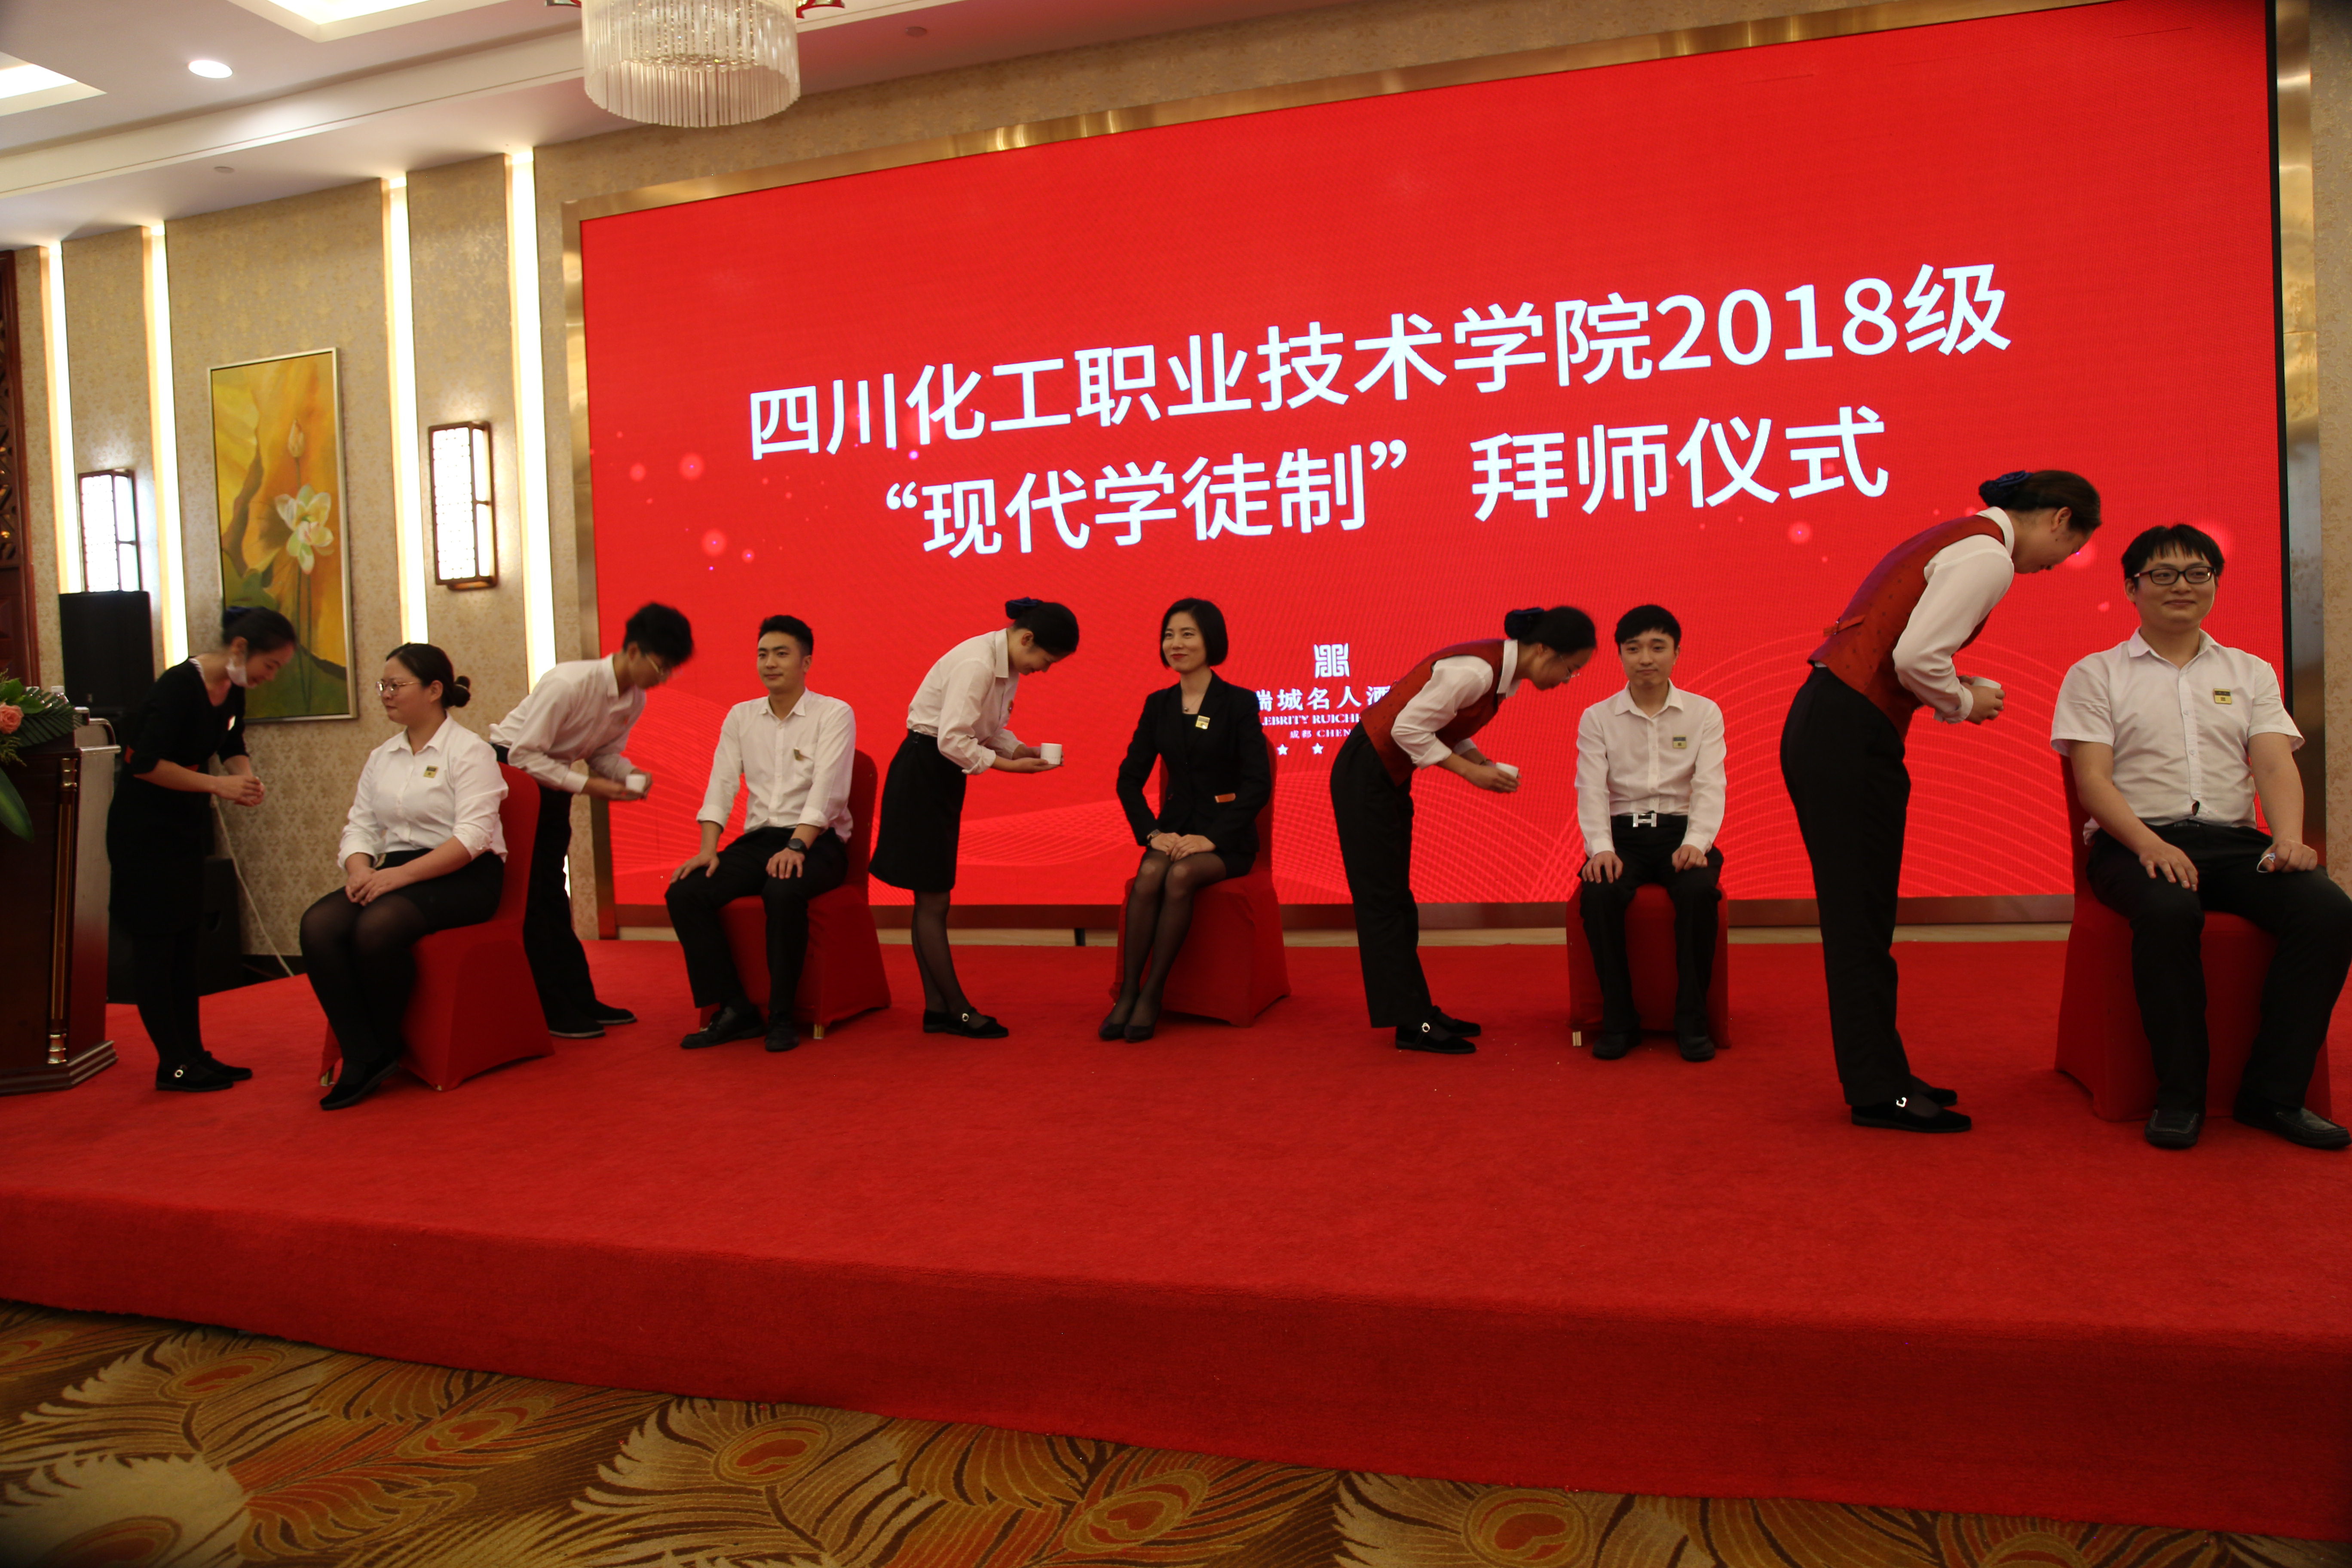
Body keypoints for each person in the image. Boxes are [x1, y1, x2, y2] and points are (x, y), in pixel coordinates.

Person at [1781, 469, 2099, 1133]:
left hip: (1834, 724)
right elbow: (1917, 657)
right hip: (1849, 735)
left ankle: (1886, 1074)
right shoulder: (1989, 556)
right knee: (1861, 921)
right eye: (2067, 552)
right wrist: (1962, 702)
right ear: (2060, 519)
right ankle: (1879, 1092)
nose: (2053, 566)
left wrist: (1952, 688)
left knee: (1865, 915)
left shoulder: (1959, 536)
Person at [2054, 524, 2352, 1150]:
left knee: (2328, 911)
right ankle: (2180, 1095)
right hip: (2134, 844)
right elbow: (2093, 781)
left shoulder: (2250, 671)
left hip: (2234, 844)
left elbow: (2273, 764)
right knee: (2169, 910)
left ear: (2215, 583)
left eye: (2198, 573)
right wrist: (2149, 845)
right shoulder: (2096, 673)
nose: (2182, 586)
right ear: (2132, 588)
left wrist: (2289, 838)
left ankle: (2272, 1095)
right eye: (2163, 575)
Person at [1332, 606, 1596, 1054]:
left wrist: (1482, 763)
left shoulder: (1497, 675)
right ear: (1543, 651)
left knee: (1396, 900)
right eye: (1571, 668)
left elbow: (1444, 725)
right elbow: (1407, 728)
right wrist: (1469, 772)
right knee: (1383, 902)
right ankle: (1411, 1024)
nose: (1570, 679)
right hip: (1366, 773)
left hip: (1384, 776)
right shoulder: (1477, 671)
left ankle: (1417, 1011)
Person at [302, 645, 507, 1110]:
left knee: (378, 926)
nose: (386, 695)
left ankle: (381, 1046)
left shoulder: (470, 751)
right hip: (397, 870)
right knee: (319, 925)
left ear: (434, 690)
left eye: (396, 686)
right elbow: (360, 827)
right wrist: (360, 869)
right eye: (384, 686)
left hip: (465, 874)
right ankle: (364, 1051)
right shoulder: (383, 756)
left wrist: (397, 878)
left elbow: (472, 837)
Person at [107, 607, 295, 1092]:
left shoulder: (232, 689)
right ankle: (171, 1063)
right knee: (158, 947)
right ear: (240, 648)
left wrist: (243, 778)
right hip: (143, 830)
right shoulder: (176, 687)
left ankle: (193, 1054)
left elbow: (232, 741)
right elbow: (144, 764)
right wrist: (217, 785)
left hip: (184, 826)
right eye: (270, 665)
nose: (270, 676)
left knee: (185, 946)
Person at [870, 597, 1076, 1038]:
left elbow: (987, 730)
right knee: (934, 899)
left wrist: (1019, 751)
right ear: (1027, 638)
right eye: (1047, 659)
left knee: (930, 897)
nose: (1044, 669)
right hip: (925, 772)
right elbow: (951, 739)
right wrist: (1007, 767)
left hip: (938, 774)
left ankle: (937, 1009)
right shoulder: (978, 663)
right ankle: (957, 1010)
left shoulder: (1006, 665)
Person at [489, 602, 692, 1039]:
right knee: (533, 896)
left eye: (671, 671)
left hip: (552, 779)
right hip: (510, 777)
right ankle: (549, 1006)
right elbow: (523, 754)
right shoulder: (569, 683)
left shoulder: (634, 699)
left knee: (553, 892)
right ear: (634, 651)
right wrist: (587, 786)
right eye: (661, 667)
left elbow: (602, 755)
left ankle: (578, 997)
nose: (663, 678)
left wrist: (630, 775)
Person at [667, 616, 854, 1055]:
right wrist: (708, 850)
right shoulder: (741, 716)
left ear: (806, 662)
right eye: (763, 654)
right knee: (687, 892)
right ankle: (735, 1009)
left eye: (781, 654)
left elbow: (829, 791)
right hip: (760, 840)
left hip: (819, 842)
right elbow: (721, 784)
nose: (770, 663)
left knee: (782, 889)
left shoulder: (833, 713)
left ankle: (782, 1015)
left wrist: (797, 845)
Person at [1105, 598, 1271, 1042]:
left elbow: (1258, 784)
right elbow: (1128, 780)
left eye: (1187, 634)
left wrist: (1211, 838)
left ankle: (1153, 994)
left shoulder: (1239, 702)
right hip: (1173, 831)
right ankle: (1127, 992)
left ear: (1210, 640)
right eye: (1169, 635)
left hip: (1226, 841)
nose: (1175, 644)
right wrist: (1152, 833)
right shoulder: (1158, 705)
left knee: (1179, 876)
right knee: (1150, 874)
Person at [1576, 604, 1727, 1062]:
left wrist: (1696, 843)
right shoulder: (1597, 718)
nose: (1646, 658)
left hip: (1681, 834)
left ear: (1677, 653)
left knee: (1698, 892)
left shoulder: (1703, 713)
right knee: (1599, 894)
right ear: (1620, 655)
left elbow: (1710, 784)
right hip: (1622, 837)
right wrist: (1600, 849)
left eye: (1658, 647)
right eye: (1634, 648)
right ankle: (1620, 1022)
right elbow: (1591, 789)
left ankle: (1692, 1021)